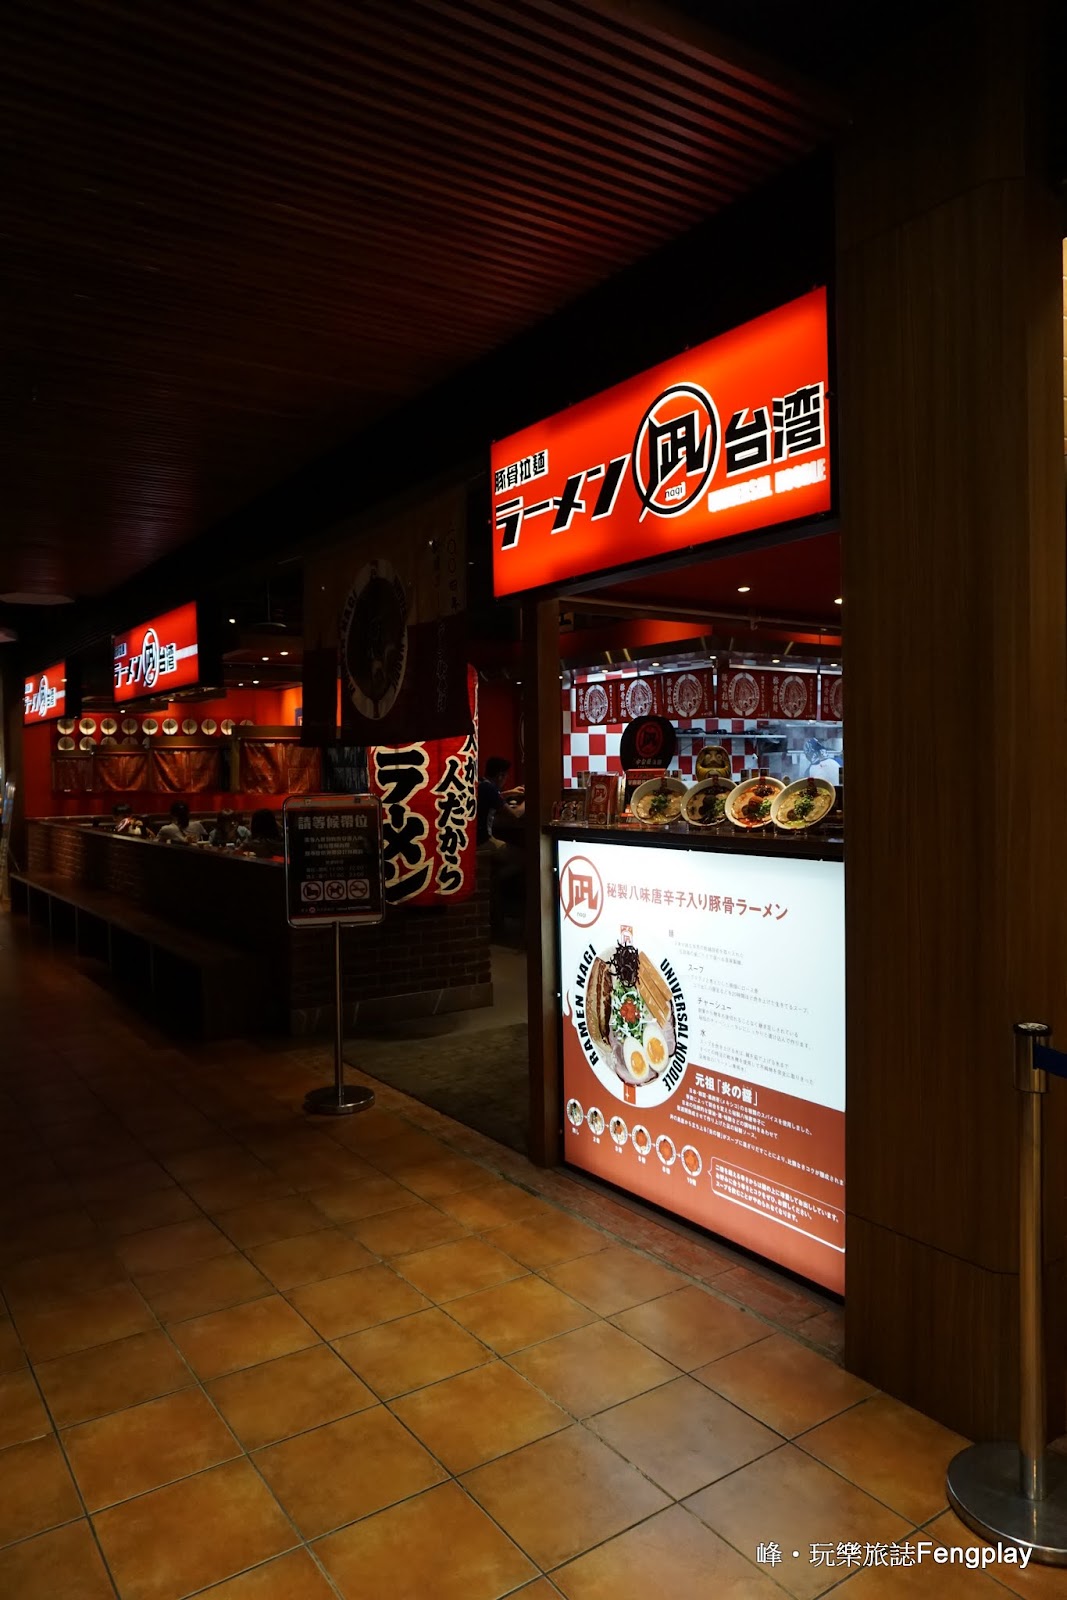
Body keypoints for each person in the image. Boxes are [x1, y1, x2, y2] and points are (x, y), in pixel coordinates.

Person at [476, 756, 524, 845]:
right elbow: (515, 814)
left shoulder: (481, 783)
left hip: (475, 838)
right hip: (484, 840)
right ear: (500, 776)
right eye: (506, 776)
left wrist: (510, 792)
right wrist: (529, 799)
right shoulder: (490, 789)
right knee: (519, 852)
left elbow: (494, 798)